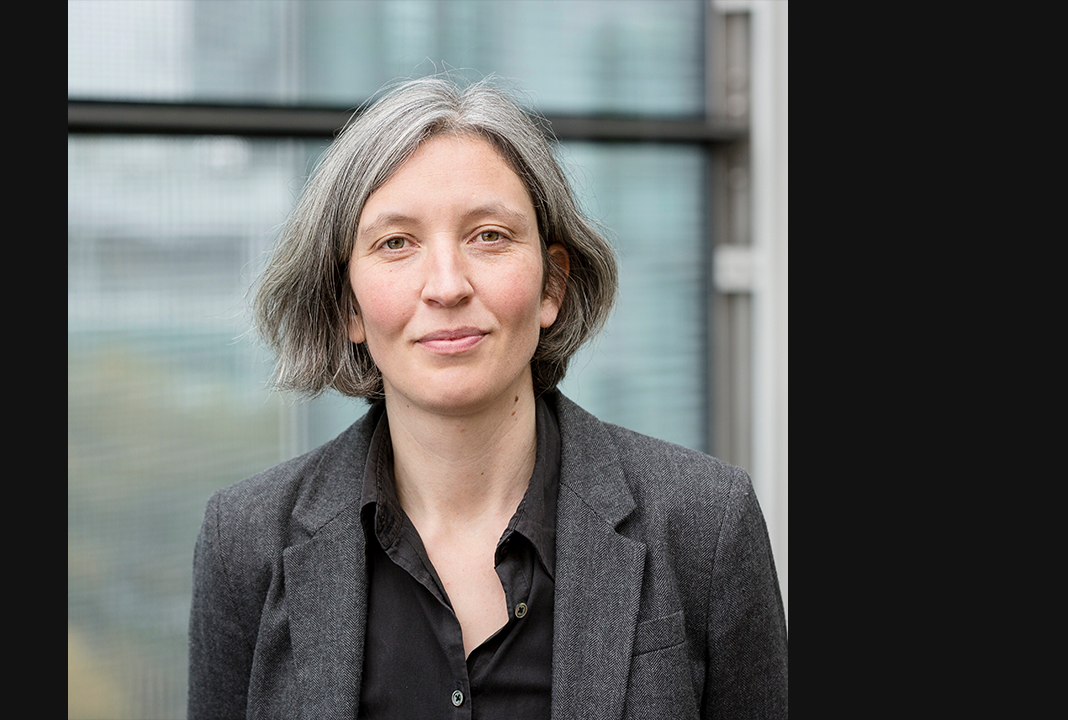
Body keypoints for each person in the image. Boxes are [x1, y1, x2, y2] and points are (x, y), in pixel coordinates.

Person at [189, 75, 787, 720]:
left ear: (552, 285)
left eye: (490, 236)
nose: (446, 286)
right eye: (397, 243)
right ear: (347, 305)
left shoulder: (706, 523)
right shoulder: (245, 541)